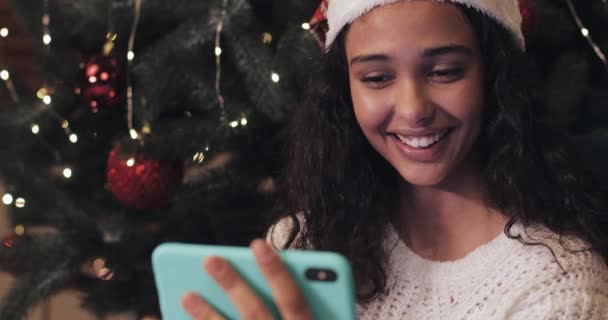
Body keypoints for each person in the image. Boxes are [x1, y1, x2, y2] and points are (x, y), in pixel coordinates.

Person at [182, 0, 608, 319]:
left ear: (494, 79)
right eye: (377, 78)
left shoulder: (559, 286)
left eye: (444, 72)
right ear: (344, 90)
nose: (412, 109)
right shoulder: (301, 242)